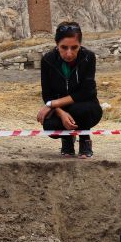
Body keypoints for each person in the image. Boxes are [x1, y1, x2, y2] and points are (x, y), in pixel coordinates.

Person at [37, 21, 102, 158]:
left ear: (80, 45)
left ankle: (85, 140)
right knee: (50, 125)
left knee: (79, 110)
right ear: (56, 44)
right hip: (62, 108)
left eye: (74, 48)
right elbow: (47, 93)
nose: (69, 53)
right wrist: (61, 113)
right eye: (64, 47)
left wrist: (52, 105)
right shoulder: (47, 60)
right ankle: (67, 139)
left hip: (86, 105)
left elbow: (87, 91)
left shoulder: (88, 57)